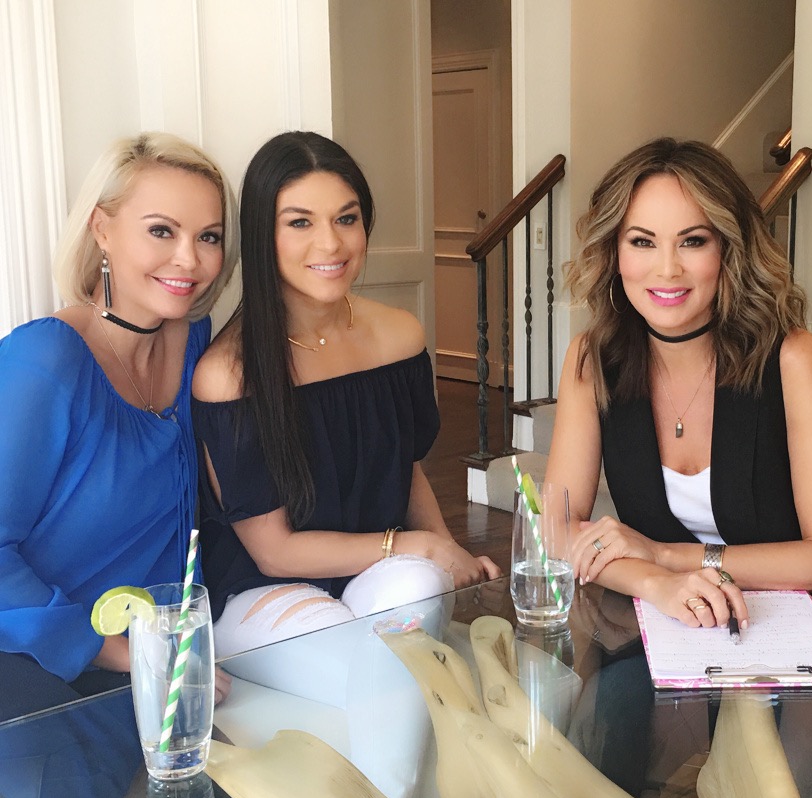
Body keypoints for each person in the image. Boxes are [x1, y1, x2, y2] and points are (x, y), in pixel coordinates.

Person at [192, 131, 500, 658]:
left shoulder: (399, 336)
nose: (331, 244)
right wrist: (410, 545)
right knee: (353, 646)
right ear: (263, 235)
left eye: (347, 218)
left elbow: (405, 468)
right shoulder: (227, 375)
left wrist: (443, 547)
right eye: (300, 222)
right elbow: (274, 553)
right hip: (264, 589)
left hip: (373, 569)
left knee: (423, 589)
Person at [544, 137, 812, 629]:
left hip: (782, 629)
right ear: (615, 251)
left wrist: (666, 556)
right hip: (655, 623)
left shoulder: (795, 360)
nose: (667, 268)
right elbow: (559, 529)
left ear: (728, 248)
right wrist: (655, 584)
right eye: (642, 241)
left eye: (693, 240)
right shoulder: (592, 360)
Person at [0, 133, 238, 721]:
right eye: (162, 230)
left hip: (173, 657)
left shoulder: (200, 350)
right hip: (43, 666)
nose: (190, 259)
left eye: (207, 236)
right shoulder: (45, 360)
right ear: (102, 229)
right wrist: (125, 655)